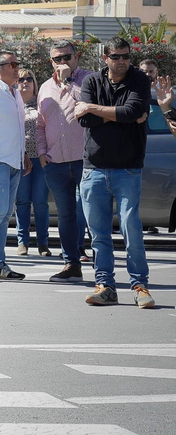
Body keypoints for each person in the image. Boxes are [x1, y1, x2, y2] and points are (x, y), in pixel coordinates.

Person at [78, 38, 155, 307]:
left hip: (128, 169)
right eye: (116, 56)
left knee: (131, 229)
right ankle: (105, 286)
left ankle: (139, 285)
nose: (122, 60)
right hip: (94, 170)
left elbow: (132, 110)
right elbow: (84, 120)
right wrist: (120, 115)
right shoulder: (90, 82)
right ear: (105, 58)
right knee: (98, 234)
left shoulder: (139, 80)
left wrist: (93, 108)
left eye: (125, 56)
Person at [38, 41, 90, 281]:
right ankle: (71, 264)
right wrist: (41, 152)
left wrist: (69, 81)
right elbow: (40, 124)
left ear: (76, 57)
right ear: (51, 61)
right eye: (57, 59)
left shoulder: (90, 80)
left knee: (93, 214)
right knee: (66, 216)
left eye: (67, 57)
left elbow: (85, 107)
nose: (62, 63)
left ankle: (103, 269)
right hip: (55, 163)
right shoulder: (45, 87)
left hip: (86, 160)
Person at [15, 68, 51, 257]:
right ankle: (23, 242)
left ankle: (43, 243)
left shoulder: (42, 103)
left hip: (41, 158)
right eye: (21, 79)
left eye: (29, 78)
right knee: (22, 202)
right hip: (20, 159)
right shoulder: (12, 104)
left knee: (40, 202)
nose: (26, 82)